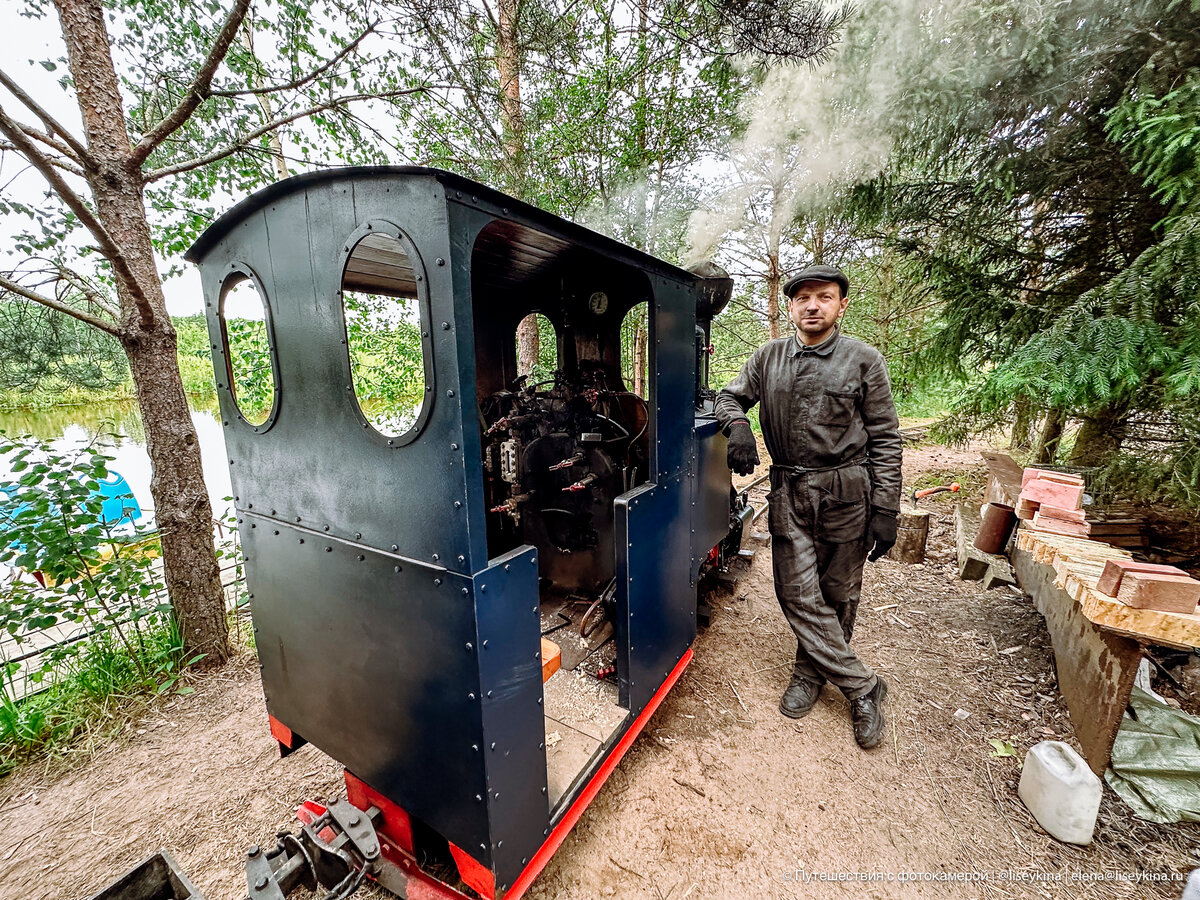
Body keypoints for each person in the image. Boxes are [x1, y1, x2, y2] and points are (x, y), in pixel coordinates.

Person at [714, 264, 902, 749]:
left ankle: (809, 673)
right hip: (789, 492)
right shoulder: (768, 357)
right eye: (803, 298)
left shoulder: (864, 360)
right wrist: (738, 427)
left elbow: (885, 438)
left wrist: (887, 507)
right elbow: (728, 397)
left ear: (841, 305)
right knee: (796, 592)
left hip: (847, 493)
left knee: (838, 593)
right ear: (791, 306)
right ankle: (863, 686)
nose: (813, 305)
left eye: (824, 296)